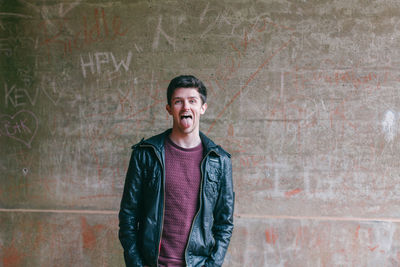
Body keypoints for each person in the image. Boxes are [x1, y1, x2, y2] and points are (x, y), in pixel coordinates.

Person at [118, 75, 235, 267]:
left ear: (203, 108)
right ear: (169, 109)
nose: (186, 107)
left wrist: (212, 265)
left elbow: (224, 224)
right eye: (178, 101)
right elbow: (128, 216)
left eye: (192, 101)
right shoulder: (146, 154)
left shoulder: (220, 160)